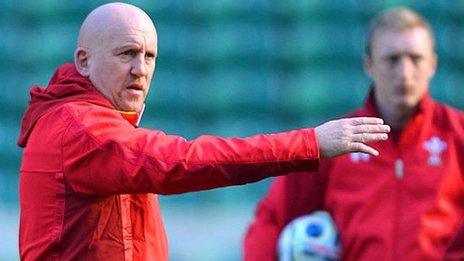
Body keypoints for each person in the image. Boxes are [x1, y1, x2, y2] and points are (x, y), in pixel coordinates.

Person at [16, 3, 390, 260]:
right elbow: (180, 161)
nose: (140, 69)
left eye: (149, 56)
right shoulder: (82, 131)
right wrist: (309, 143)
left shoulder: (92, 121)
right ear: (84, 61)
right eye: (127, 53)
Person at [244, 6, 464, 261]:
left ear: (433, 64)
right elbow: (271, 217)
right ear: (369, 65)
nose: (404, 73)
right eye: (392, 59)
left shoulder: (458, 134)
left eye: (415, 58)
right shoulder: (337, 142)